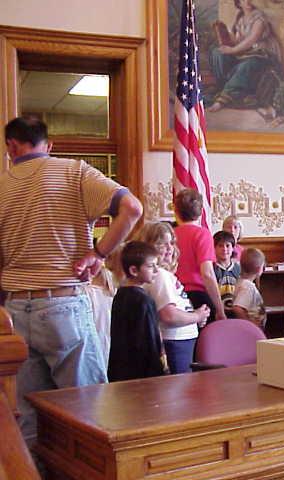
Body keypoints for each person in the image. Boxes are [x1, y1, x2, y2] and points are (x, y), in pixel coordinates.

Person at [1, 116, 142, 444]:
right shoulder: (73, 171)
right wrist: (99, 253)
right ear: (48, 145)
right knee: (91, 412)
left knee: (30, 419)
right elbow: (132, 208)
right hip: (63, 303)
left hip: (14, 312)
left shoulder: (2, 185)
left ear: (11, 146)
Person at [134, 222, 210, 374]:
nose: (169, 248)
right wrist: (196, 316)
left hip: (180, 341)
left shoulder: (165, 275)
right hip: (174, 342)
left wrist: (194, 315)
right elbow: (169, 315)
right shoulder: (160, 275)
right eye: (162, 244)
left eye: (171, 243)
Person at [108, 241, 169, 382]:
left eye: (156, 265)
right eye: (150, 266)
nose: (156, 271)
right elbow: (150, 340)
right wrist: (159, 369)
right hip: (143, 373)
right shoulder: (144, 301)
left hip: (121, 369)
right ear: (134, 270)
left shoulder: (120, 295)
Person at [209, 0, 282, 115]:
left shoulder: (259, 18)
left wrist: (232, 50)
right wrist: (224, 34)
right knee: (217, 53)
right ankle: (222, 87)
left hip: (261, 55)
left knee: (247, 65)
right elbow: (238, 40)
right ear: (239, 3)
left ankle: (223, 99)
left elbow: (251, 39)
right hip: (245, 53)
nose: (247, 1)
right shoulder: (241, 19)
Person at [174, 188, 226, 324]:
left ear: (176, 211)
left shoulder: (170, 235)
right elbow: (207, 273)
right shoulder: (202, 234)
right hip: (198, 297)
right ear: (200, 211)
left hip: (174, 296)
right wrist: (220, 309)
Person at [231, 247, 267, 328]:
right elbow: (237, 308)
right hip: (251, 330)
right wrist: (249, 326)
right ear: (259, 269)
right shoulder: (247, 286)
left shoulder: (241, 282)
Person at [213, 230, 242, 314]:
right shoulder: (211, 269)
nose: (224, 249)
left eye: (227, 245)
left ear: (233, 248)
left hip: (236, 311)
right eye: (220, 246)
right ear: (214, 248)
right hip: (218, 311)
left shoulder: (239, 269)